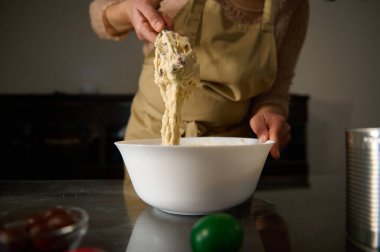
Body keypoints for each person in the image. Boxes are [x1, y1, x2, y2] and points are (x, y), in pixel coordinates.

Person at [89, 0, 309, 159]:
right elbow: (99, 16)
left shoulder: (290, 5)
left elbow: (275, 90)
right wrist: (128, 9)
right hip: (150, 138)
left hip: (226, 150)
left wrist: (269, 113)